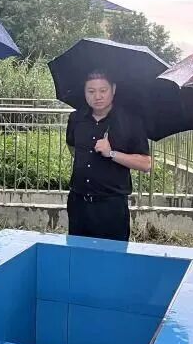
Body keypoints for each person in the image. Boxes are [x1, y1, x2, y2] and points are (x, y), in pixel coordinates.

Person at [65, 72, 152, 241]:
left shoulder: (130, 121)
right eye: (91, 91)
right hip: (78, 202)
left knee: (112, 255)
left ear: (113, 89)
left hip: (111, 206)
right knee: (78, 253)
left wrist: (111, 153)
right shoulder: (76, 118)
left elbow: (145, 163)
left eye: (103, 90)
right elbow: (72, 145)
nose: (97, 96)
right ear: (84, 92)